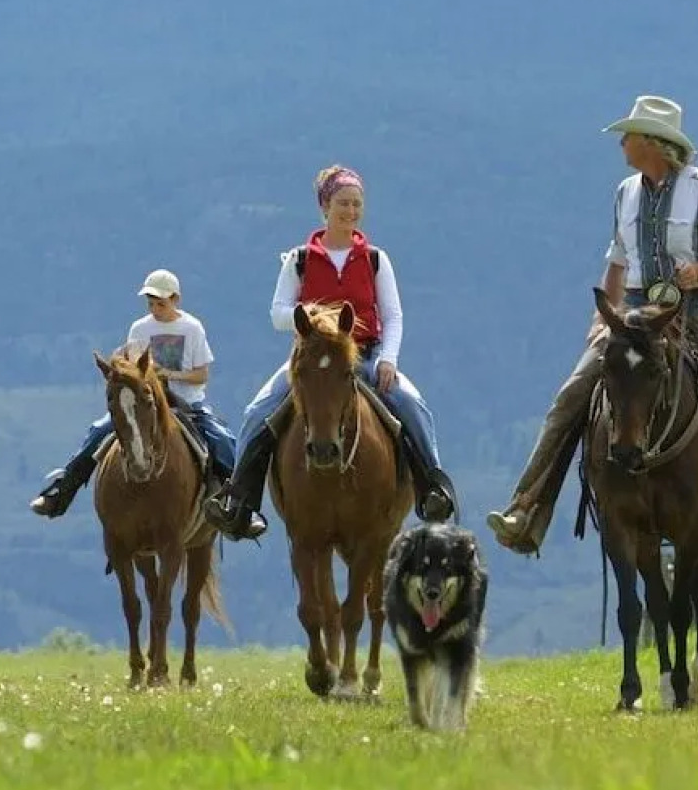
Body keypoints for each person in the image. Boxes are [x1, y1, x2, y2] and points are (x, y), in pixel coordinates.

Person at [485, 94, 698, 571]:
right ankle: (527, 508)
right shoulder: (625, 193)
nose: (622, 144)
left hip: (695, 315)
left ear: (653, 144)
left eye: (629, 136)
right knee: (571, 398)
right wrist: (604, 314)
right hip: (633, 318)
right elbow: (617, 260)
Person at [204, 164, 458, 541]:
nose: (350, 211)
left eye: (357, 204)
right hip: (310, 360)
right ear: (325, 207)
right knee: (258, 411)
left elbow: (393, 315)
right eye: (343, 203)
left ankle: (433, 490)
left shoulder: (374, 259)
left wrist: (388, 358)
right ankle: (240, 504)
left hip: (366, 355)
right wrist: (312, 319)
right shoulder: (300, 259)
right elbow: (277, 313)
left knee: (412, 404)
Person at [28, 268, 238, 517]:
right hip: (146, 403)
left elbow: (202, 374)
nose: (155, 309)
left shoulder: (192, 328)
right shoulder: (139, 328)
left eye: (161, 303)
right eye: (151, 304)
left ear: (175, 299)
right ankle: (62, 491)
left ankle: (234, 505)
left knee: (222, 440)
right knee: (98, 433)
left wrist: (169, 375)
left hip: (186, 403)